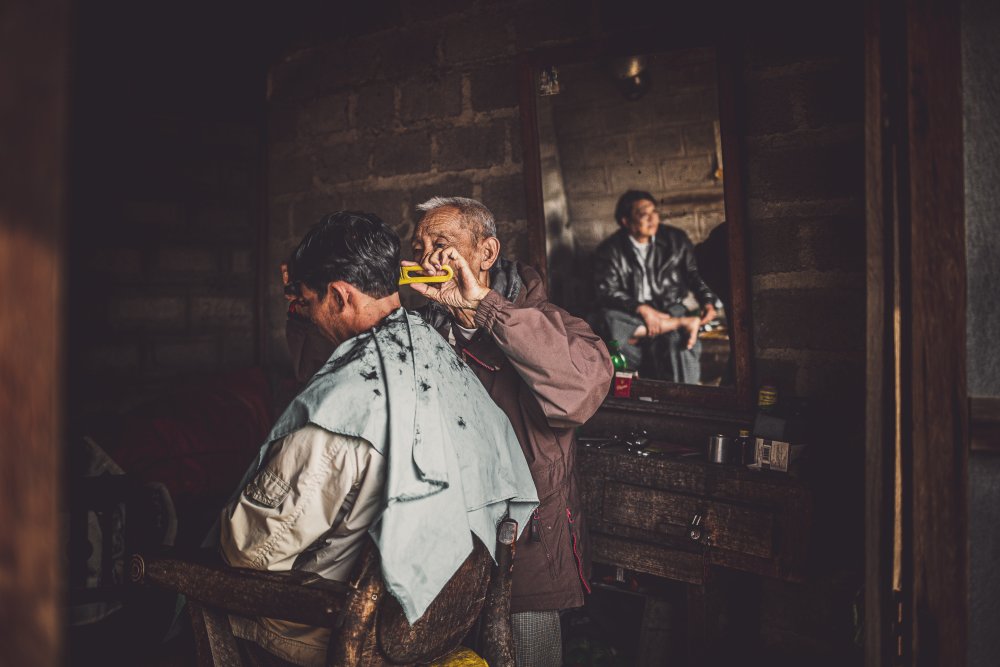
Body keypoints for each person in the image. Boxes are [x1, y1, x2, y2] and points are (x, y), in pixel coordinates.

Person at [220, 211, 538, 667]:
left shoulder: (342, 413)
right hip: (437, 624)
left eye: (308, 304)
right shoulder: (447, 364)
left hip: (346, 634)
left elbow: (252, 553)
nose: (310, 318)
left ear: (339, 294)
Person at [405, 196, 613, 667]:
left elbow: (579, 390)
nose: (428, 260)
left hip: (525, 546)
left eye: (443, 245)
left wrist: (483, 308)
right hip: (447, 546)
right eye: (420, 248)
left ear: (486, 252)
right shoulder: (422, 327)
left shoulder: (544, 319)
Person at [592, 190, 718, 383]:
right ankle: (679, 324)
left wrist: (708, 302)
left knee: (679, 343)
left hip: (669, 309)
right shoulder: (610, 251)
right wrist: (641, 308)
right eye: (643, 214)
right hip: (633, 315)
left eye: (654, 212)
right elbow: (606, 291)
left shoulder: (675, 240)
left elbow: (694, 274)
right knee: (606, 320)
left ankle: (683, 400)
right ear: (626, 221)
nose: (652, 219)